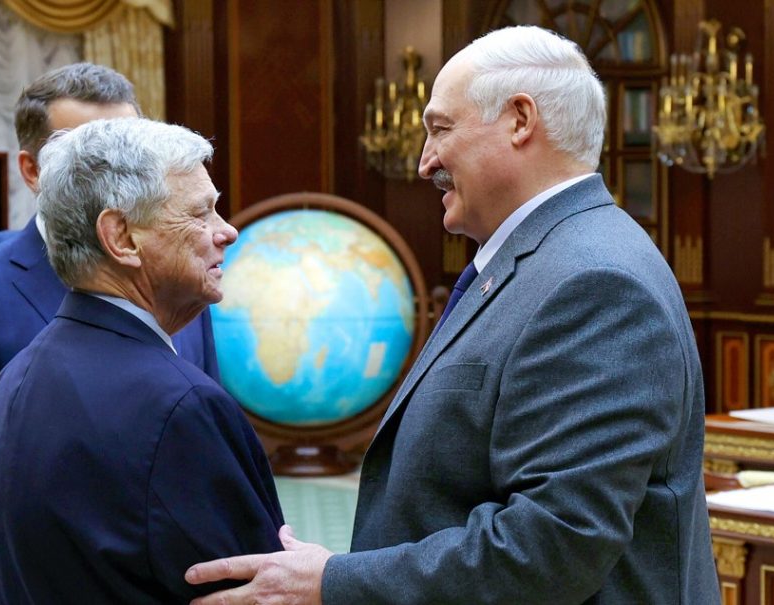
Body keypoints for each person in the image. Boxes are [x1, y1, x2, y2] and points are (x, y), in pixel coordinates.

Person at [185, 25, 719, 604]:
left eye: (440, 129)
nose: (425, 163)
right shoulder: (546, 260)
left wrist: (334, 582)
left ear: (520, 120)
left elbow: (552, 547)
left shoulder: (594, 284)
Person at [0, 63, 221, 604]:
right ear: (32, 170)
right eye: (85, 150)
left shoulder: (180, 283)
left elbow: (205, 452)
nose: (115, 165)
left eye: (126, 144)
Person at [0, 116, 283, 604]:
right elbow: (259, 592)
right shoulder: (181, 407)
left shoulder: (9, 384)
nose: (228, 231)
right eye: (201, 214)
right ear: (122, 237)